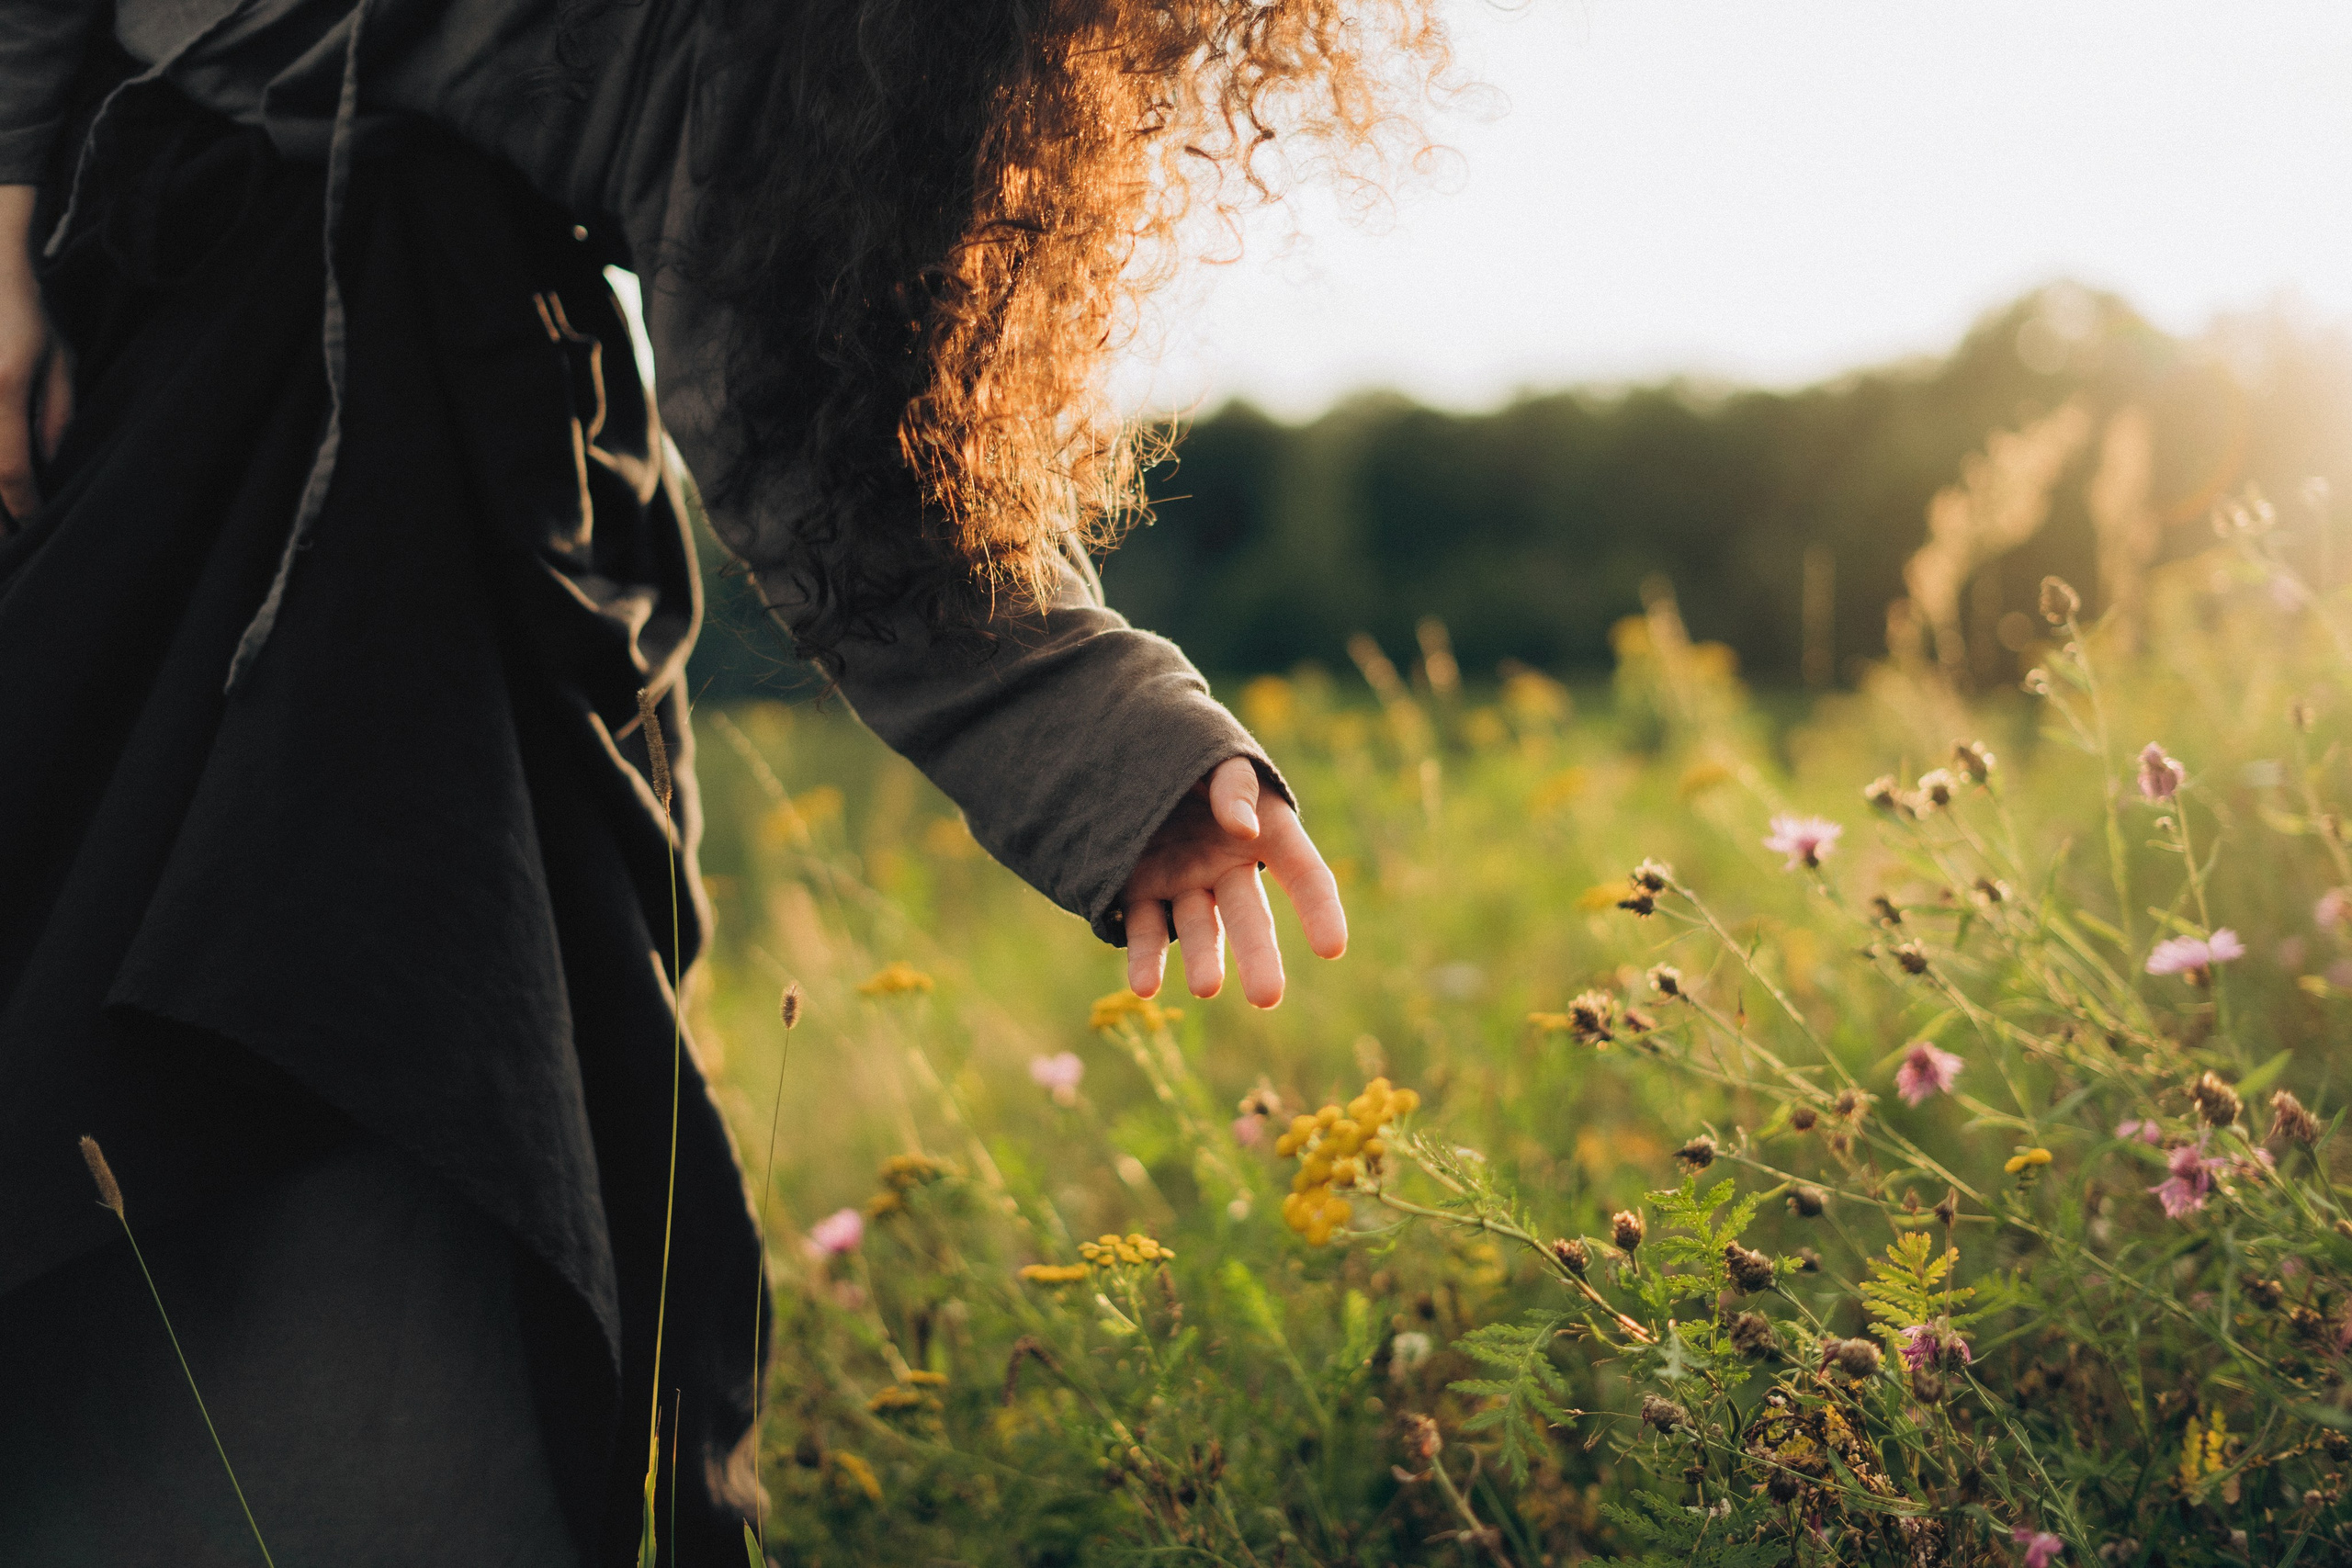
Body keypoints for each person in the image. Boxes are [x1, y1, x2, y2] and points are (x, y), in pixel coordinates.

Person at [0, 0, 1444, 1561]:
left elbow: (818, 405)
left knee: (354, 1191)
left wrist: (1115, 747)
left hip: (389, 558)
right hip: (82, 412)